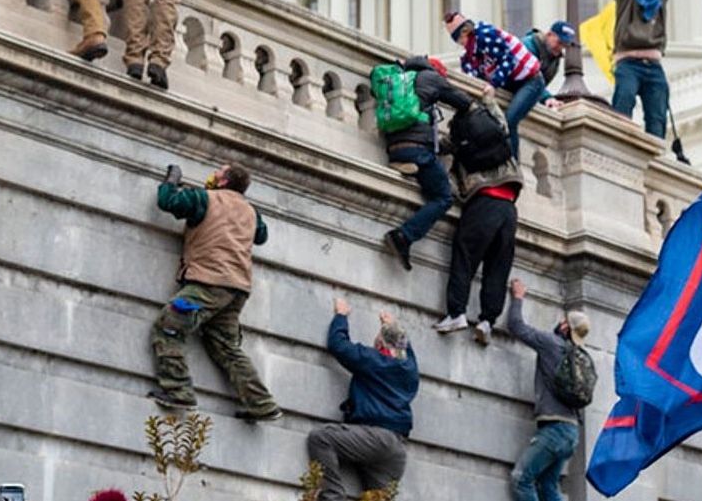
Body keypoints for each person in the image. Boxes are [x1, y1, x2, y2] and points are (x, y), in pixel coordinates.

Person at [149, 163, 282, 422]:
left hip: (208, 283)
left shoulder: (203, 198)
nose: (212, 174)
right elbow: (261, 235)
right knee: (226, 347)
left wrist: (172, 180)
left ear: (222, 182)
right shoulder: (251, 212)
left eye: (218, 172)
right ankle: (262, 404)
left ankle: (178, 391)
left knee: (169, 327)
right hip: (237, 290)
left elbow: (167, 201)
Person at [435, 85, 522, 346]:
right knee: (498, 266)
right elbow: (503, 122)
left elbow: (450, 178)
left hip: (483, 202)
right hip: (509, 207)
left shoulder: (460, 143)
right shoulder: (495, 130)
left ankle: (456, 313)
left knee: (465, 255)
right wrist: (489, 98)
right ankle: (487, 321)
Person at [307, 298, 419, 501]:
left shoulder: (373, 360)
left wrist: (341, 316)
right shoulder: (409, 368)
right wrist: (391, 327)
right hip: (396, 451)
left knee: (321, 438)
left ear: (380, 344)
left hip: (375, 437)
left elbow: (339, 345)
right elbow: (405, 349)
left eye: (377, 340)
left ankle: (333, 497)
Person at [380, 55, 474, 271]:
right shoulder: (431, 77)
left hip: (394, 148)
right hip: (417, 150)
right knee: (444, 196)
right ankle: (403, 236)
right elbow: (463, 102)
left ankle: (406, 165)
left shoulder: (401, 79)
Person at [507, 278, 593, 501]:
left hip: (554, 429)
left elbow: (516, 326)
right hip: (571, 433)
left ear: (565, 327)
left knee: (521, 478)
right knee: (548, 486)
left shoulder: (551, 343)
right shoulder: (579, 357)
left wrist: (518, 297)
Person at [444, 11, 543, 160]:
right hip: (511, 84)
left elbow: (507, 59)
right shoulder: (468, 58)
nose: (460, 43)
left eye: (458, 38)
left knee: (509, 120)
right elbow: (475, 81)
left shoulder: (485, 35)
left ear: (465, 32)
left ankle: (513, 162)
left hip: (530, 80)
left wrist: (494, 84)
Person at [611, 0, 674, 138]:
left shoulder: (660, 0)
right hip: (628, 63)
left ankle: (655, 153)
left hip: (654, 66)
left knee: (657, 116)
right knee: (623, 105)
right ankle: (618, 146)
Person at [521, 22, 577, 110]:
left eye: (565, 45)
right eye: (559, 42)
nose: (561, 48)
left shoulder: (554, 59)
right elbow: (527, 77)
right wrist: (546, 97)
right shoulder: (528, 45)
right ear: (549, 35)